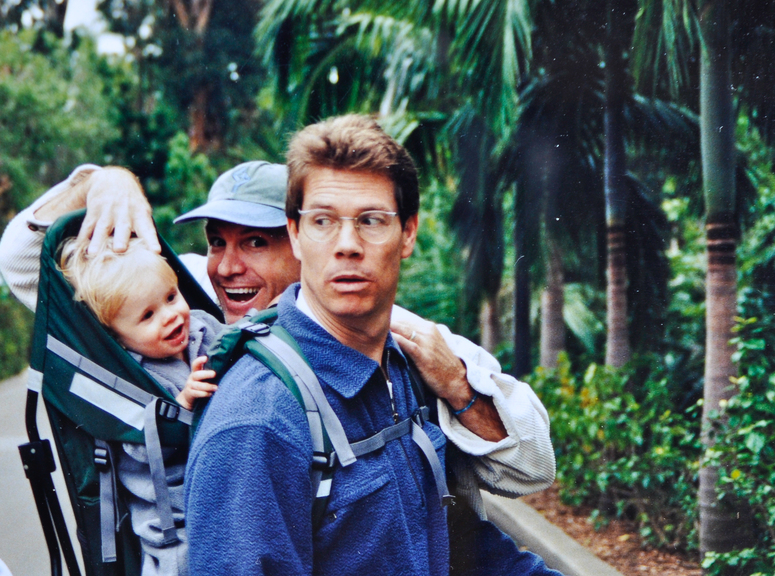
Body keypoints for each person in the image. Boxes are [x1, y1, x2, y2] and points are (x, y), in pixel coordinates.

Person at [185, 115, 534, 574]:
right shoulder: (259, 421)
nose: (347, 244)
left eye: (371, 220)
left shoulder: (404, 368)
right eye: (323, 221)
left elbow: (457, 545)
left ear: (408, 233)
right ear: (296, 234)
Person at [57, 238, 223, 576]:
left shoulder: (203, 326)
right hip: (173, 526)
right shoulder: (132, 378)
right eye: (148, 315)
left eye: (171, 297)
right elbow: (137, 446)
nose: (170, 316)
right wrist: (181, 405)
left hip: (222, 492)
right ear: (117, 338)